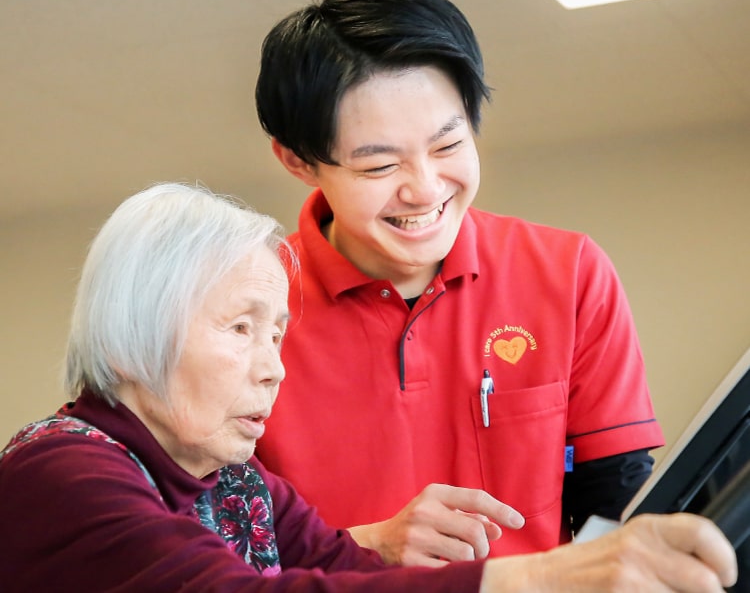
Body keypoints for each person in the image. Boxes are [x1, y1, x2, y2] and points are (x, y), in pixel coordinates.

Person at [0, 182, 737, 592]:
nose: (274, 366)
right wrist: (546, 580)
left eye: (278, 333)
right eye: (240, 330)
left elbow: (346, 571)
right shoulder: (59, 471)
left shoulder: (236, 485)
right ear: (136, 334)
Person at [254, 0, 666, 566]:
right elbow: (201, 539)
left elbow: (614, 500)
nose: (424, 188)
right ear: (298, 161)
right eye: (379, 164)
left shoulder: (568, 273)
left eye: (448, 145)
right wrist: (366, 547)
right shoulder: (244, 305)